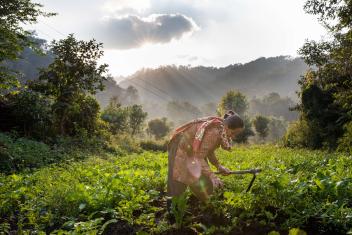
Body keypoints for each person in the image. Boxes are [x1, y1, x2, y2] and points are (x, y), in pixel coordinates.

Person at [167, 111, 244, 201]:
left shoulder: (220, 129)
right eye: (233, 132)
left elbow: (208, 151)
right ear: (226, 127)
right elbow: (198, 158)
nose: (233, 137)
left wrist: (218, 166)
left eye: (236, 134)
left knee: (202, 178)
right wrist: (212, 176)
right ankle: (173, 210)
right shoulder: (214, 132)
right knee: (179, 180)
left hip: (193, 150)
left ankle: (207, 203)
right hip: (180, 146)